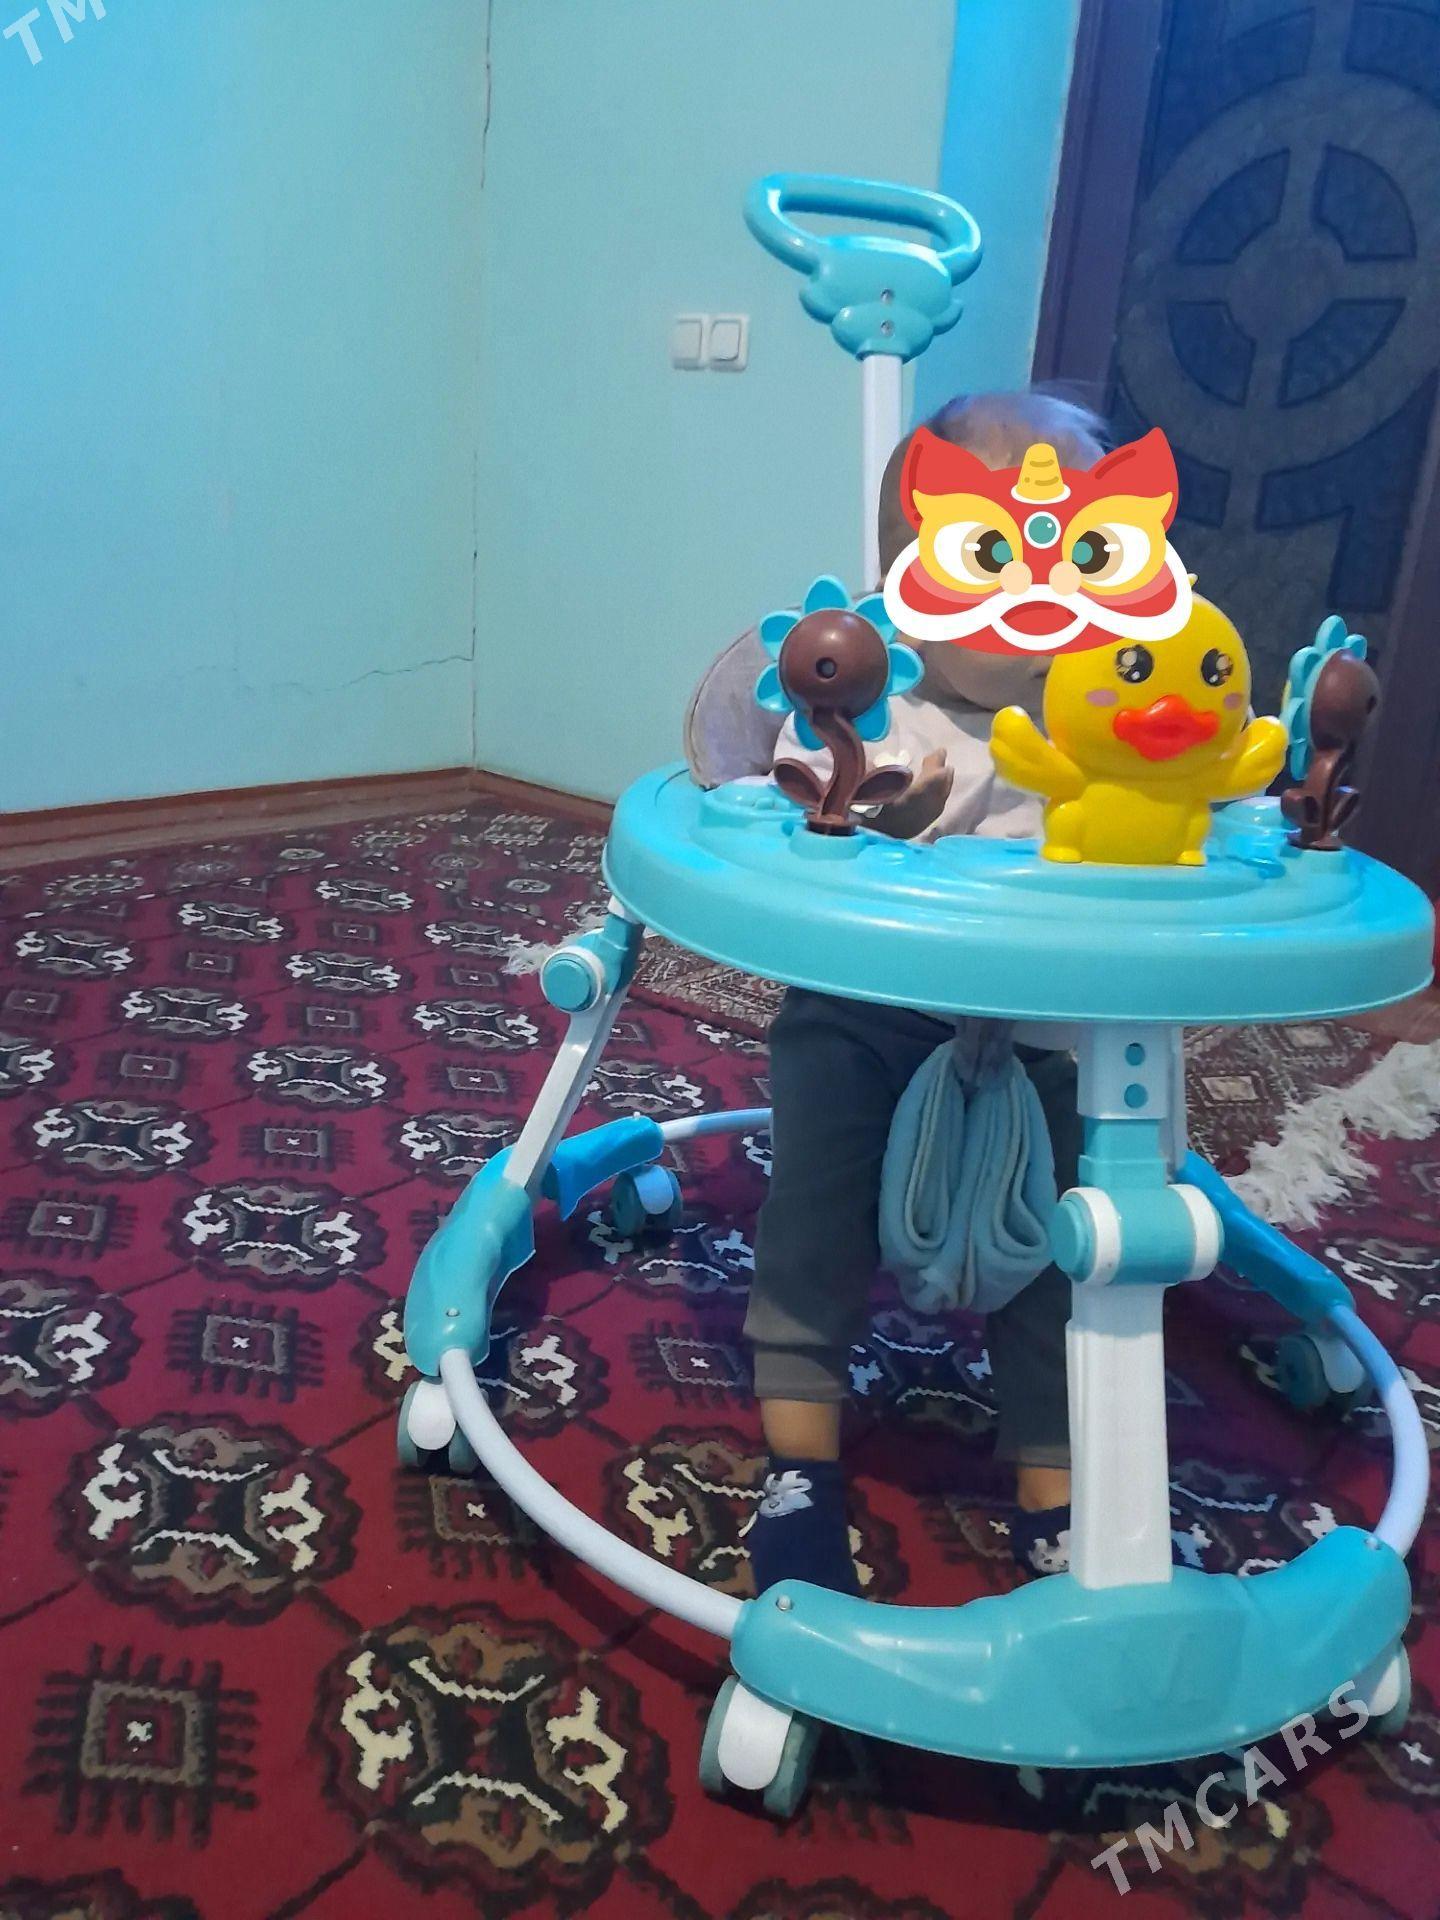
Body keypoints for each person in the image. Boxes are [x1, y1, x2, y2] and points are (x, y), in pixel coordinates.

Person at [738, 390, 1108, 1592]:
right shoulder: (870, 693)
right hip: (869, 1013)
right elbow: (798, 798)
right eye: (991, 555)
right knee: (817, 1211)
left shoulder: (1108, 708)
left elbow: (1195, 809)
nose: (1037, 596)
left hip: (1045, 1031)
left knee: (1068, 1249)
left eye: (1080, 553)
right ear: (908, 573)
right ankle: (801, 1461)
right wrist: (875, 808)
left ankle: (1056, 1489)